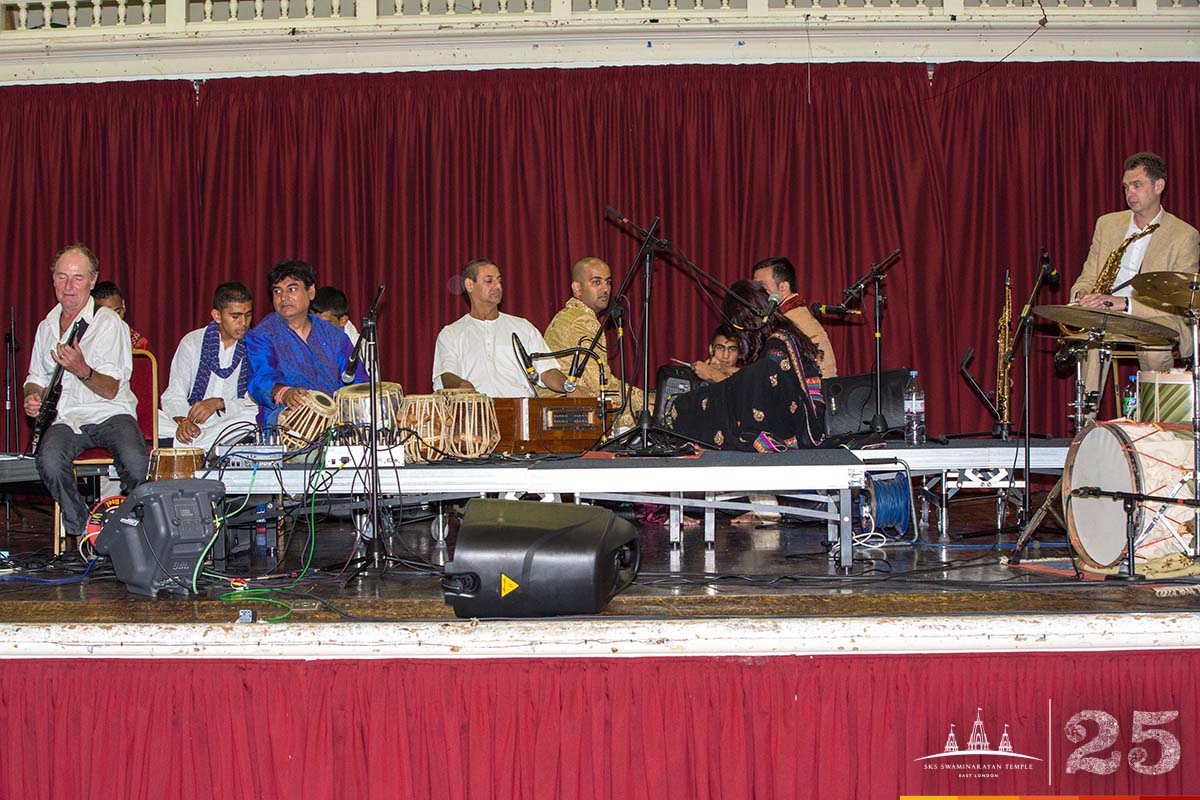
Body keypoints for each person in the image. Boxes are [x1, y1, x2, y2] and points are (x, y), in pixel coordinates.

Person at [23, 244, 148, 538]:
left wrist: (83, 370)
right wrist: (33, 395)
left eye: (78, 278)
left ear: (92, 282)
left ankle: (135, 533)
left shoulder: (109, 324)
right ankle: (85, 532)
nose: (69, 286)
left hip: (110, 413)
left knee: (136, 464)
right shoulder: (47, 327)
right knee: (49, 461)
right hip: (68, 418)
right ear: (53, 280)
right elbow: (34, 377)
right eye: (62, 277)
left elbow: (111, 389)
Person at [1071, 152, 1200, 407]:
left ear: (1158, 186)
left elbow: (1178, 303)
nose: (1130, 192)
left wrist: (1123, 304)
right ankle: (1084, 425)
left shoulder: (1184, 235)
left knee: (1153, 347)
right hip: (1107, 316)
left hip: (1154, 319)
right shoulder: (1107, 225)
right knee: (1093, 341)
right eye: (1126, 187)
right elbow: (1087, 276)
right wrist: (1082, 296)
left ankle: (1155, 423)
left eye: (1137, 185)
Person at [665, 280, 826, 451]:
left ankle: (679, 409)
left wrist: (714, 379)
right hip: (805, 426)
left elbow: (759, 389)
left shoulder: (777, 346)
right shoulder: (785, 336)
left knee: (715, 405)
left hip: (799, 433)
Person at [246, 259, 367, 426]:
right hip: (285, 424)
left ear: (311, 292)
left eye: (292, 289)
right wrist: (284, 393)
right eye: (277, 291)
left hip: (336, 423)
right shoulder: (263, 335)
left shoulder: (334, 335)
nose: (283, 298)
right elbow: (260, 378)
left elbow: (356, 379)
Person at [433, 258, 572, 397]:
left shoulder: (523, 327)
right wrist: (462, 386)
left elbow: (547, 371)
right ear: (469, 284)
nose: (497, 286)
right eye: (489, 281)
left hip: (521, 410)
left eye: (499, 280)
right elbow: (446, 374)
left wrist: (568, 386)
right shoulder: (451, 333)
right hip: (475, 411)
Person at [542, 257, 644, 428]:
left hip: (560, 407)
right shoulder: (582, 320)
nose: (605, 289)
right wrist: (643, 398)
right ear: (577, 288)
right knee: (650, 412)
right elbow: (596, 384)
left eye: (608, 282)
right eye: (596, 282)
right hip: (569, 412)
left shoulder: (569, 315)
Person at [159, 282, 259, 451]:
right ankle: (207, 445)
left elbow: (255, 401)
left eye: (248, 315)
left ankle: (192, 445)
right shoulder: (192, 342)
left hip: (229, 424)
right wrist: (184, 422)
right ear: (217, 316)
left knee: (255, 417)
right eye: (235, 316)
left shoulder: (256, 346)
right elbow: (174, 394)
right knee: (143, 417)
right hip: (187, 421)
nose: (243, 323)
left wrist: (219, 403)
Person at [751, 256, 837, 378]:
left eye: (762, 287)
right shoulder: (790, 315)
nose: (756, 293)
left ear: (783, 287)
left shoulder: (794, 319)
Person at [92, 280, 151, 350]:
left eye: (118, 312)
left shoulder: (140, 346)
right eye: (106, 316)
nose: (114, 320)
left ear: (123, 305)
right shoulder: (86, 343)